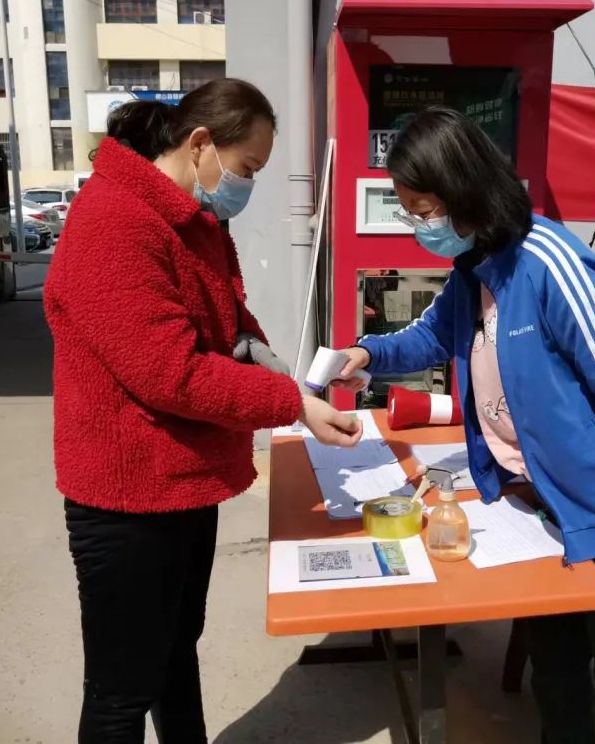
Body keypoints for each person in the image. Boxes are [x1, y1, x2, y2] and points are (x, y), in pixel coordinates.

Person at [334, 107, 595, 744]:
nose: (415, 223)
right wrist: (368, 354)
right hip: (534, 506)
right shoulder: (475, 267)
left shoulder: (551, 266)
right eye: (407, 208)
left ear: (465, 191)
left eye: (423, 207)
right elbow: (430, 337)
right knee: (558, 671)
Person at [44, 80, 361, 744]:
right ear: (199, 144)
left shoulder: (196, 219)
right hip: (125, 495)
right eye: (247, 168)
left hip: (184, 481)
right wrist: (291, 404)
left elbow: (228, 317)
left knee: (175, 651)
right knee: (120, 688)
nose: (246, 186)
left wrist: (267, 358)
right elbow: (172, 373)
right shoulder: (114, 220)